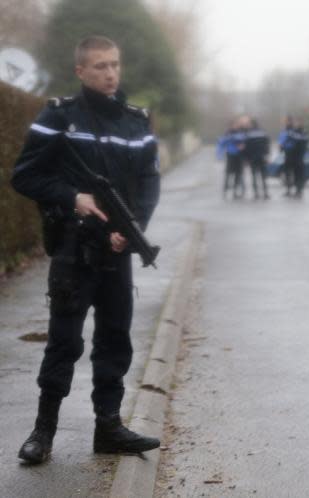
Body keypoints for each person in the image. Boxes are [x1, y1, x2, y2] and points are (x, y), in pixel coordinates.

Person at [10, 35, 161, 465]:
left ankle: (109, 427)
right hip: (73, 250)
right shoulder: (60, 116)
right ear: (81, 71)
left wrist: (133, 232)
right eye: (100, 66)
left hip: (117, 252)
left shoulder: (136, 122)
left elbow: (148, 183)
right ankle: (43, 432)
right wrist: (72, 197)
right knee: (64, 342)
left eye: (114, 64)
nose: (110, 73)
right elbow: (24, 176)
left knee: (115, 341)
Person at [217, 117, 247, 199]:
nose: (236, 126)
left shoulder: (242, 133)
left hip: (239, 156)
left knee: (238, 175)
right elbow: (221, 143)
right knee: (228, 174)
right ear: (230, 126)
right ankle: (225, 190)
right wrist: (219, 155)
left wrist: (243, 146)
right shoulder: (227, 134)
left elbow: (245, 142)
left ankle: (235, 192)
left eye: (237, 125)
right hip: (231, 156)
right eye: (234, 125)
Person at [244, 117, 270, 199]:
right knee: (263, 176)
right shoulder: (263, 133)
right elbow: (267, 146)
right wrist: (267, 155)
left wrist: (246, 159)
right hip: (262, 157)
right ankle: (265, 193)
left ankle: (256, 194)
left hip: (252, 158)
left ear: (251, 125)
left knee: (254, 176)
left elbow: (247, 148)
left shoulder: (248, 134)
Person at [278, 116, 297, 196]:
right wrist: (281, 147)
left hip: (293, 153)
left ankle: (295, 190)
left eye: (287, 121)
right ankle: (289, 190)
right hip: (287, 153)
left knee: (293, 172)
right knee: (288, 172)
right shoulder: (285, 131)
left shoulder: (293, 131)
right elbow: (281, 141)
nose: (286, 123)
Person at [291, 119, 309, 198]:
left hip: (300, 156)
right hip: (294, 156)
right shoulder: (294, 132)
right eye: (297, 123)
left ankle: (300, 189)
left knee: (300, 174)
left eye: (299, 123)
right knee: (296, 174)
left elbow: (305, 142)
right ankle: (297, 190)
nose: (298, 124)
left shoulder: (304, 132)